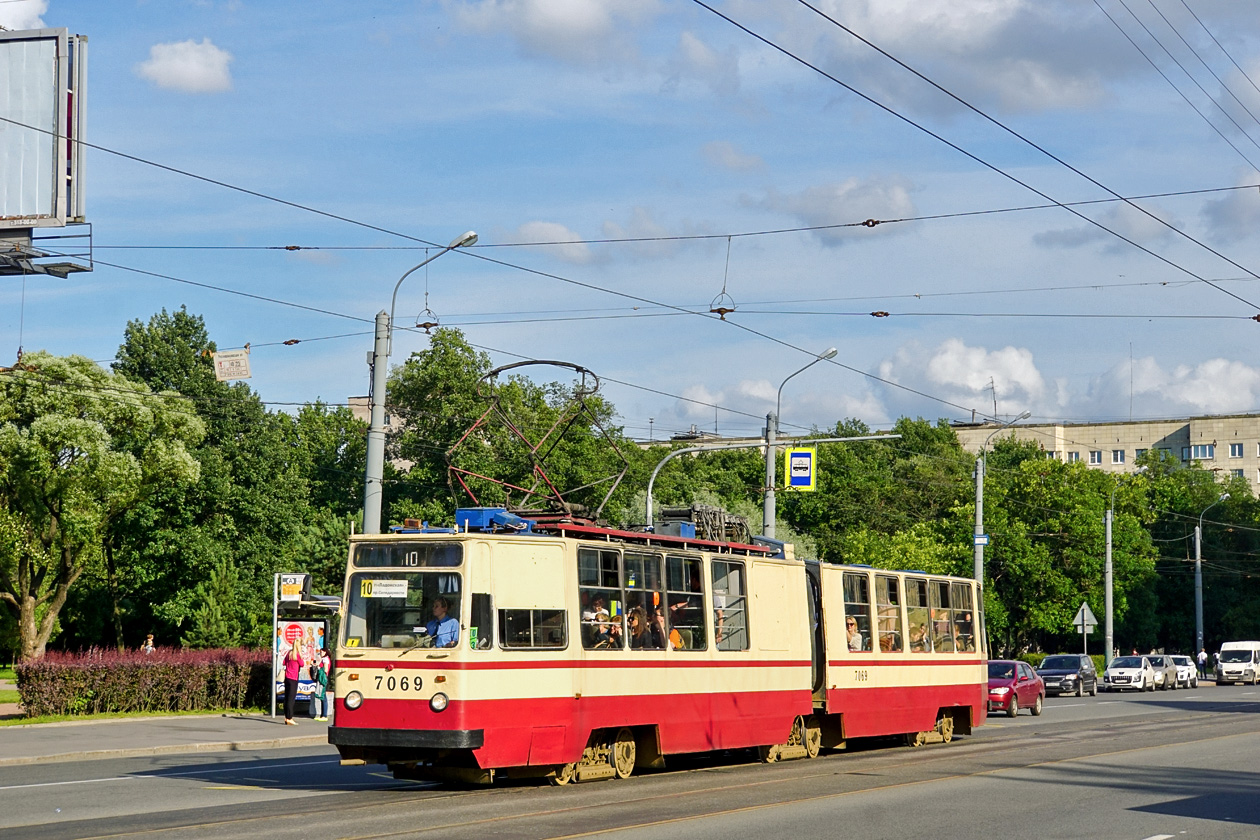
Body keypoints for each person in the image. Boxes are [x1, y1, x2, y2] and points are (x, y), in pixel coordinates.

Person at [282, 644, 304, 725]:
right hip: (293, 678)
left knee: (287, 697)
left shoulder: (289, 653)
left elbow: (284, 662)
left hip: (287, 677)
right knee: (291, 698)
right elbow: (302, 664)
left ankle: (286, 716)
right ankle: (289, 717)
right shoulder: (297, 655)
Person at [309, 649, 332, 722]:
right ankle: (323, 715)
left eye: (322, 652)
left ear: (325, 652)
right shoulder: (325, 659)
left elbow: (325, 669)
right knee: (322, 696)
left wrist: (318, 668)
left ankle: (324, 715)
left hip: (322, 679)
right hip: (323, 679)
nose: (321, 653)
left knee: (323, 696)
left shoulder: (325, 659)